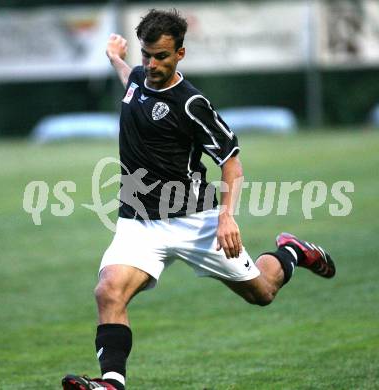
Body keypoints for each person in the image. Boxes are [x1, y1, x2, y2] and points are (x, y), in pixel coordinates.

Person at [62, 9, 335, 390]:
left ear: (180, 55)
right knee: (108, 289)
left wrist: (227, 217)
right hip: (138, 221)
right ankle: (112, 383)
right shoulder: (139, 77)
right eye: (146, 54)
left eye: (161, 56)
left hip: (195, 221)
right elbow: (132, 85)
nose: (152, 64)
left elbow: (231, 164)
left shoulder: (193, 105)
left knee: (262, 293)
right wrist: (116, 59)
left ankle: (292, 251)